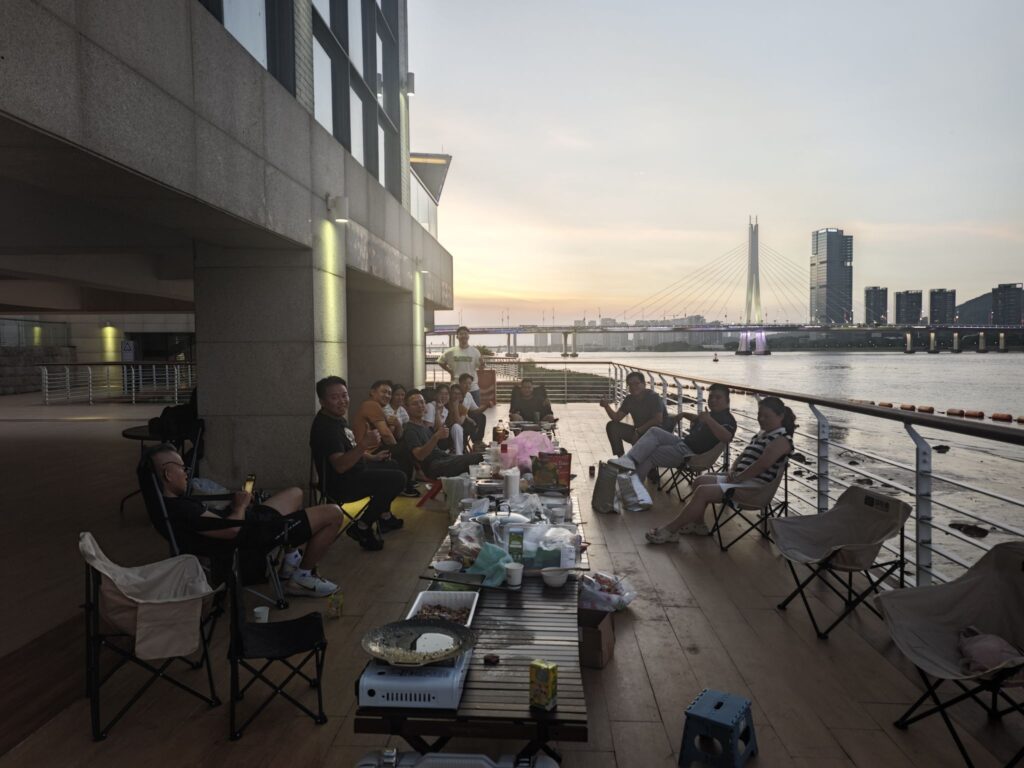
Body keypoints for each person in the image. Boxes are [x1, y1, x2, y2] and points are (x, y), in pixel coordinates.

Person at [150, 445, 343, 597]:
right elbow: (231, 531)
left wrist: (238, 506)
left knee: (296, 493)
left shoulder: (170, 504)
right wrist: (240, 506)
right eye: (182, 467)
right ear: (168, 474)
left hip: (248, 521)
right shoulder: (181, 510)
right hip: (253, 536)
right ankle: (301, 578)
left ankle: (290, 563)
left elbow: (219, 523)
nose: (186, 472)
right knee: (334, 514)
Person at [646, 396, 796, 544]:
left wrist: (739, 478)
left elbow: (762, 465)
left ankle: (670, 530)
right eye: (759, 415)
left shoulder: (782, 440)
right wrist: (732, 470)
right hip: (740, 480)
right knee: (699, 481)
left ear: (781, 416)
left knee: (703, 491)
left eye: (767, 416)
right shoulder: (762, 434)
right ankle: (698, 525)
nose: (761, 419)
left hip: (753, 489)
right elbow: (742, 456)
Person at [310, 376, 407, 550]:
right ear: (322, 401)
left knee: (391, 465)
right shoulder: (327, 428)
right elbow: (340, 466)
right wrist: (364, 445)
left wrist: (373, 457)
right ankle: (362, 526)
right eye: (334, 397)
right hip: (341, 484)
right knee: (397, 478)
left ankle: (383, 516)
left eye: (344, 395)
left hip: (355, 470)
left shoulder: (336, 419)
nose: (342, 401)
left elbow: (350, 450)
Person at [608, 383, 736, 484]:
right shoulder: (713, 414)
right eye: (711, 397)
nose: (713, 400)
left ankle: (633, 490)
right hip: (684, 443)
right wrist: (685, 414)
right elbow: (700, 419)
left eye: (718, 397)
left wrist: (708, 419)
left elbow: (726, 437)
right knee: (654, 431)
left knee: (648, 453)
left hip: (691, 454)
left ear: (728, 400)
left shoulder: (727, 419)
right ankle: (628, 461)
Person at [399, 390, 485, 478]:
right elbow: (419, 456)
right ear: (407, 408)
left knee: (481, 457)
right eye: (415, 404)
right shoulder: (410, 430)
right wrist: (436, 437)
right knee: (478, 458)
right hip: (434, 466)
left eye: (422, 402)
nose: (420, 406)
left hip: (444, 459)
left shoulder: (423, 426)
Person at [600, 371, 676, 457]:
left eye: (636, 383)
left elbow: (658, 419)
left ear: (644, 384)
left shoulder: (653, 397)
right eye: (630, 384)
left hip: (657, 435)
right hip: (640, 433)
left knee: (642, 456)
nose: (633, 387)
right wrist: (606, 406)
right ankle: (622, 459)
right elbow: (617, 418)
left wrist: (638, 431)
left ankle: (640, 460)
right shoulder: (629, 399)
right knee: (612, 426)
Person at [438, 326, 484, 405]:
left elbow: (480, 368)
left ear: (468, 336)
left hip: (472, 387)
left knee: (476, 410)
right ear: (457, 337)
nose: (463, 336)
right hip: (456, 387)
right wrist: (450, 371)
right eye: (461, 334)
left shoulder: (475, 351)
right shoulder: (451, 351)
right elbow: (440, 361)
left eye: (465, 334)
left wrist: (482, 364)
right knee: (455, 410)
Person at [457, 372, 491, 445]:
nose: (467, 386)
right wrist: (471, 420)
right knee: (469, 424)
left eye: (469, 384)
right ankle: (464, 444)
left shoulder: (468, 395)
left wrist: (486, 406)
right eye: (465, 383)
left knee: (481, 417)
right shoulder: (456, 394)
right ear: (459, 383)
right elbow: (459, 412)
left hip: (465, 417)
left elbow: (475, 411)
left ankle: (478, 442)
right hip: (457, 419)